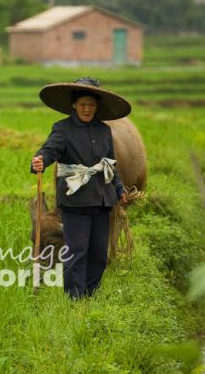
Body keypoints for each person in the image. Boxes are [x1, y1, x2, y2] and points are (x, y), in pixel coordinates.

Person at [30, 77, 131, 300]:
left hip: (102, 199)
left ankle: (89, 296)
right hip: (75, 200)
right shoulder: (63, 129)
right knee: (77, 253)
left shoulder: (104, 131)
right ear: (74, 105)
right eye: (83, 104)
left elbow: (110, 164)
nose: (87, 109)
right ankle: (74, 301)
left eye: (91, 105)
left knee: (98, 256)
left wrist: (119, 189)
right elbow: (49, 150)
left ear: (97, 107)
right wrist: (40, 161)